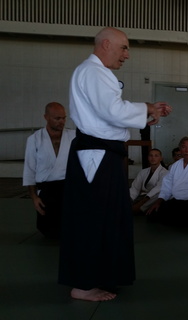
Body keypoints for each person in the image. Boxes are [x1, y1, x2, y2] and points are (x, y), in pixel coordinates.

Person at [58, 27, 172, 302]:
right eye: (124, 48)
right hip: (96, 156)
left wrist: (147, 114)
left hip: (103, 153)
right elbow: (111, 111)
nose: (127, 55)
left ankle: (100, 277)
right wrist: (145, 108)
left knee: (108, 219)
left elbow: (109, 117)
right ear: (106, 44)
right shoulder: (93, 72)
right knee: (94, 220)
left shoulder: (96, 73)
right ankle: (83, 285)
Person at [23, 102, 76, 239]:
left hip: (68, 188)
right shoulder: (34, 139)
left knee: (71, 230)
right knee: (48, 231)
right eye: (57, 118)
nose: (62, 122)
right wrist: (34, 197)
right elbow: (29, 169)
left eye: (64, 118)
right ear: (46, 117)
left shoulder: (73, 137)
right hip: (46, 190)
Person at [146, 136, 188, 226]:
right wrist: (159, 201)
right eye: (183, 147)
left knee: (185, 219)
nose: (186, 150)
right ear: (180, 149)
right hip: (176, 201)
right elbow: (167, 186)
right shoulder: (175, 166)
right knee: (152, 214)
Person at [129, 148, 168, 215]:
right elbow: (135, 188)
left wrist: (141, 203)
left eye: (156, 156)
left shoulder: (165, 173)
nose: (153, 158)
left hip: (152, 198)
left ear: (161, 158)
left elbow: (158, 188)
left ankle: (140, 209)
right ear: (148, 158)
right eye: (151, 155)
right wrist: (129, 199)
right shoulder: (143, 172)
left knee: (159, 194)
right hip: (142, 197)